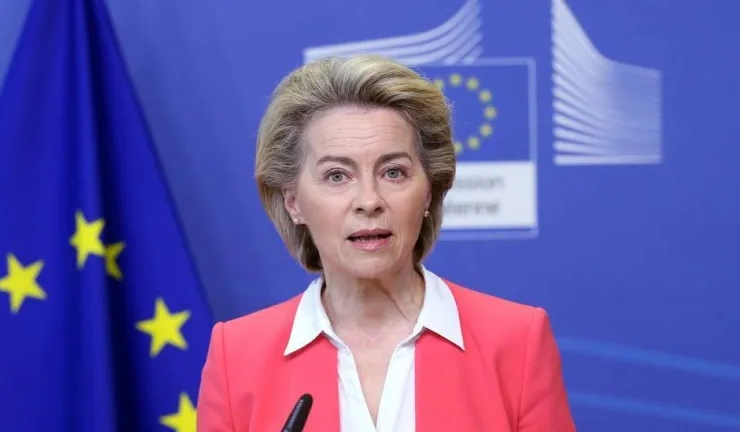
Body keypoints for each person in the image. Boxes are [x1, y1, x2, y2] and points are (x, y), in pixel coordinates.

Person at [196, 55, 576, 432]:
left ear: (429, 191)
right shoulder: (237, 356)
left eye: (394, 172)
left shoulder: (516, 342)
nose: (369, 200)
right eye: (336, 176)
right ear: (293, 201)